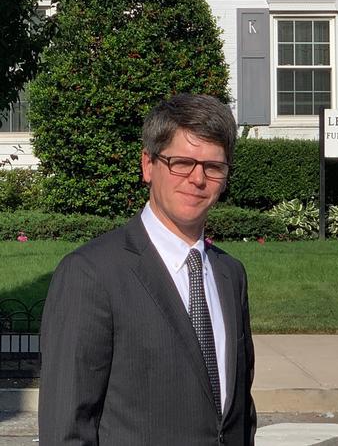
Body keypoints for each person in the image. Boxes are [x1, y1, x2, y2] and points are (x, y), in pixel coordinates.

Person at [39, 94, 256, 445]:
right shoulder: (91, 274)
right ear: (148, 165)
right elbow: (67, 427)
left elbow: (239, 414)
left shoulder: (231, 275)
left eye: (213, 167)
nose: (197, 179)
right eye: (181, 163)